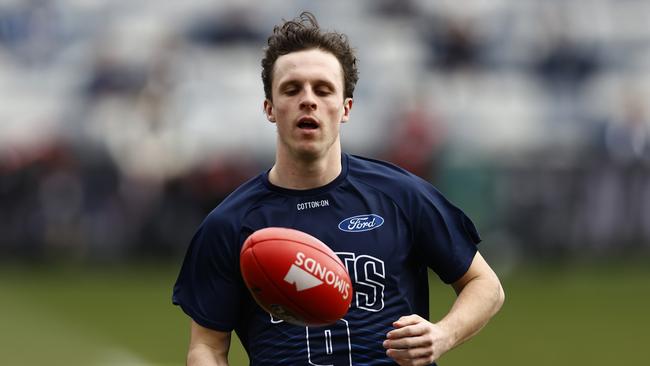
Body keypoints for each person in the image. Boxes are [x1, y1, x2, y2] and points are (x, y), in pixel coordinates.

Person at [173, 11, 504, 366]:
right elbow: (207, 346)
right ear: (270, 108)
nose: (308, 99)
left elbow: (486, 285)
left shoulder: (401, 195)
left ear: (345, 108)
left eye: (323, 89)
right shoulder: (230, 223)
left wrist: (443, 334)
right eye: (291, 88)